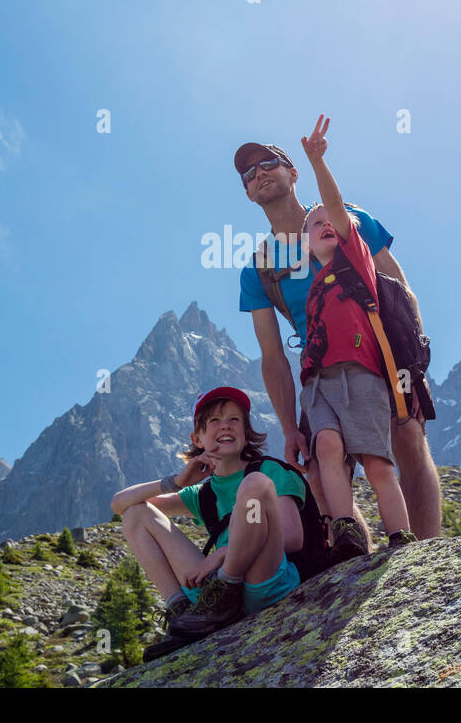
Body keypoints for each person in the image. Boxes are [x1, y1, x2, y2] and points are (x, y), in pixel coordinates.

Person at [235, 116, 442, 544]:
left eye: (268, 163)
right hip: (322, 372)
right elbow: (272, 357)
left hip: (382, 355)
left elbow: (398, 289)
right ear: (249, 193)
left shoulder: (349, 219)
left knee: (406, 442)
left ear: (293, 173)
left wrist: (413, 366)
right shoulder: (260, 269)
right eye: (249, 173)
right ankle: (360, 564)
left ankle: (425, 558)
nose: (259, 174)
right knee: (317, 469)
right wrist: (290, 426)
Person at [111, 387, 306, 658]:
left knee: (254, 485)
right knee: (136, 515)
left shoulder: (268, 471)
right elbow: (121, 504)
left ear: (246, 432)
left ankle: (225, 589)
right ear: (198, 438)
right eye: (214, 420)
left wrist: (224, 554)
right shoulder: (202, 494)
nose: (225, 425)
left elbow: (293, 537)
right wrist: (177, 482)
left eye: (235, 420)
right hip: (212, 600)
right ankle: (184, 614)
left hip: (263, 578)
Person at [297, 121, 416, 560]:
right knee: (326, 446)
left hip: (362, 375)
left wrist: (317, 162)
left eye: (332, 220)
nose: (326, 223)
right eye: (315, 225)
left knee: (377, 461)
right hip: (318, 383)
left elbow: (335, 207)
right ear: (306, 246)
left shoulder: (355, 259)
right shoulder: (313, 287)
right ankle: (344, 528)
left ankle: (401, 537)